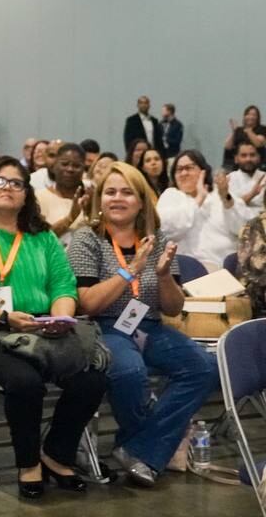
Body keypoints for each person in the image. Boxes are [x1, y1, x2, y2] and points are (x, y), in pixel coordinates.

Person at [0, 157, 107, 499]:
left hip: (39, 330)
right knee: (25, 381)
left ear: (26, 194)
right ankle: (28, 465)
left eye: (16, 183)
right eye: (0, 181)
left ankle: (56, 453)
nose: (8, 188)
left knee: (92, 377)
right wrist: (4, 317)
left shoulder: (42, 238)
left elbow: (64, 287)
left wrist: (60, 319)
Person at [68, 162, 217, 488]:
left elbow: (174, 308)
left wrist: (163, 276)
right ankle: (146, 451)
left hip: (149, 323)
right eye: (110, 192)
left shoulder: (158, 240)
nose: (117, 198)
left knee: (204, 367)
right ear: (100, 199)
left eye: (126, 192)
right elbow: (87, 303)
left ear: (141, 200)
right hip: (103, 325)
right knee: (129, 372)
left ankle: (138, 449)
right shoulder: (87, 239)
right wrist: (130, 270)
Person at [157, 150, 253, 271]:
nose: (184, 173)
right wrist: (198, 199)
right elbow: (168, 230)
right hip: (190, 271)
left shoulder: (219, 194)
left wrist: (226, 198)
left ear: (203, 171)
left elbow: (243, 229)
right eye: (179, 169)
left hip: (226, 267)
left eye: (189, 168)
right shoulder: (171, 195)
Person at [35, 143, 90, 244]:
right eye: (64, 164)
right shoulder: (39, 198)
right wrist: (70, 218)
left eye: (76, 165)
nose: (70, 169)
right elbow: (40, 240)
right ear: (54, 166)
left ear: (83, 170)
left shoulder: (90, 198)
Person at [228, 141, 266, 214]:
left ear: (259, 157)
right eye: (243, 155)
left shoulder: (264, 177)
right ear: (236, 159)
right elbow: (230, 207)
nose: (248, 159)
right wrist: (252, 194)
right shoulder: (229, 179)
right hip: (238, 223)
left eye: (252, 155)